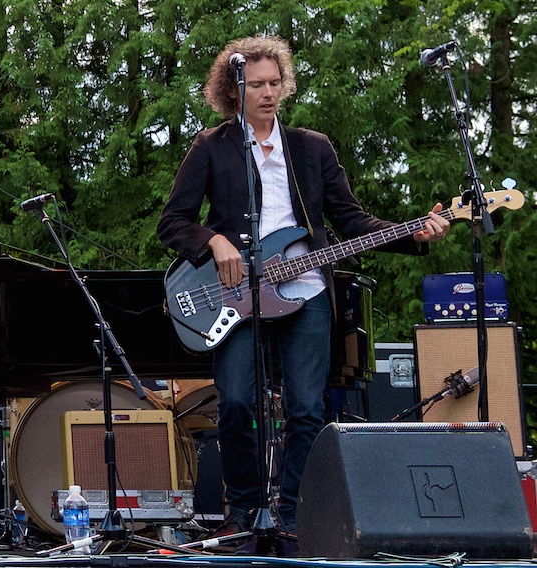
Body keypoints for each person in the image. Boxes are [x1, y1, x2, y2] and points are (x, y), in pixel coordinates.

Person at [158, 36, 451, 533]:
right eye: (257, 85)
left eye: (275, 83)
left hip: (307, 289)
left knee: (306, 409)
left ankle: (293, 512)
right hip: (238, 294)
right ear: (236, 89)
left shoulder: (311, 148)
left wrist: (414, 233)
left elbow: (350, 220)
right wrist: (213, 241)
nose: (268, 93)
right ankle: (244, 510)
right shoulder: (211, 147)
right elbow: (172, 222)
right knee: (234, 402)